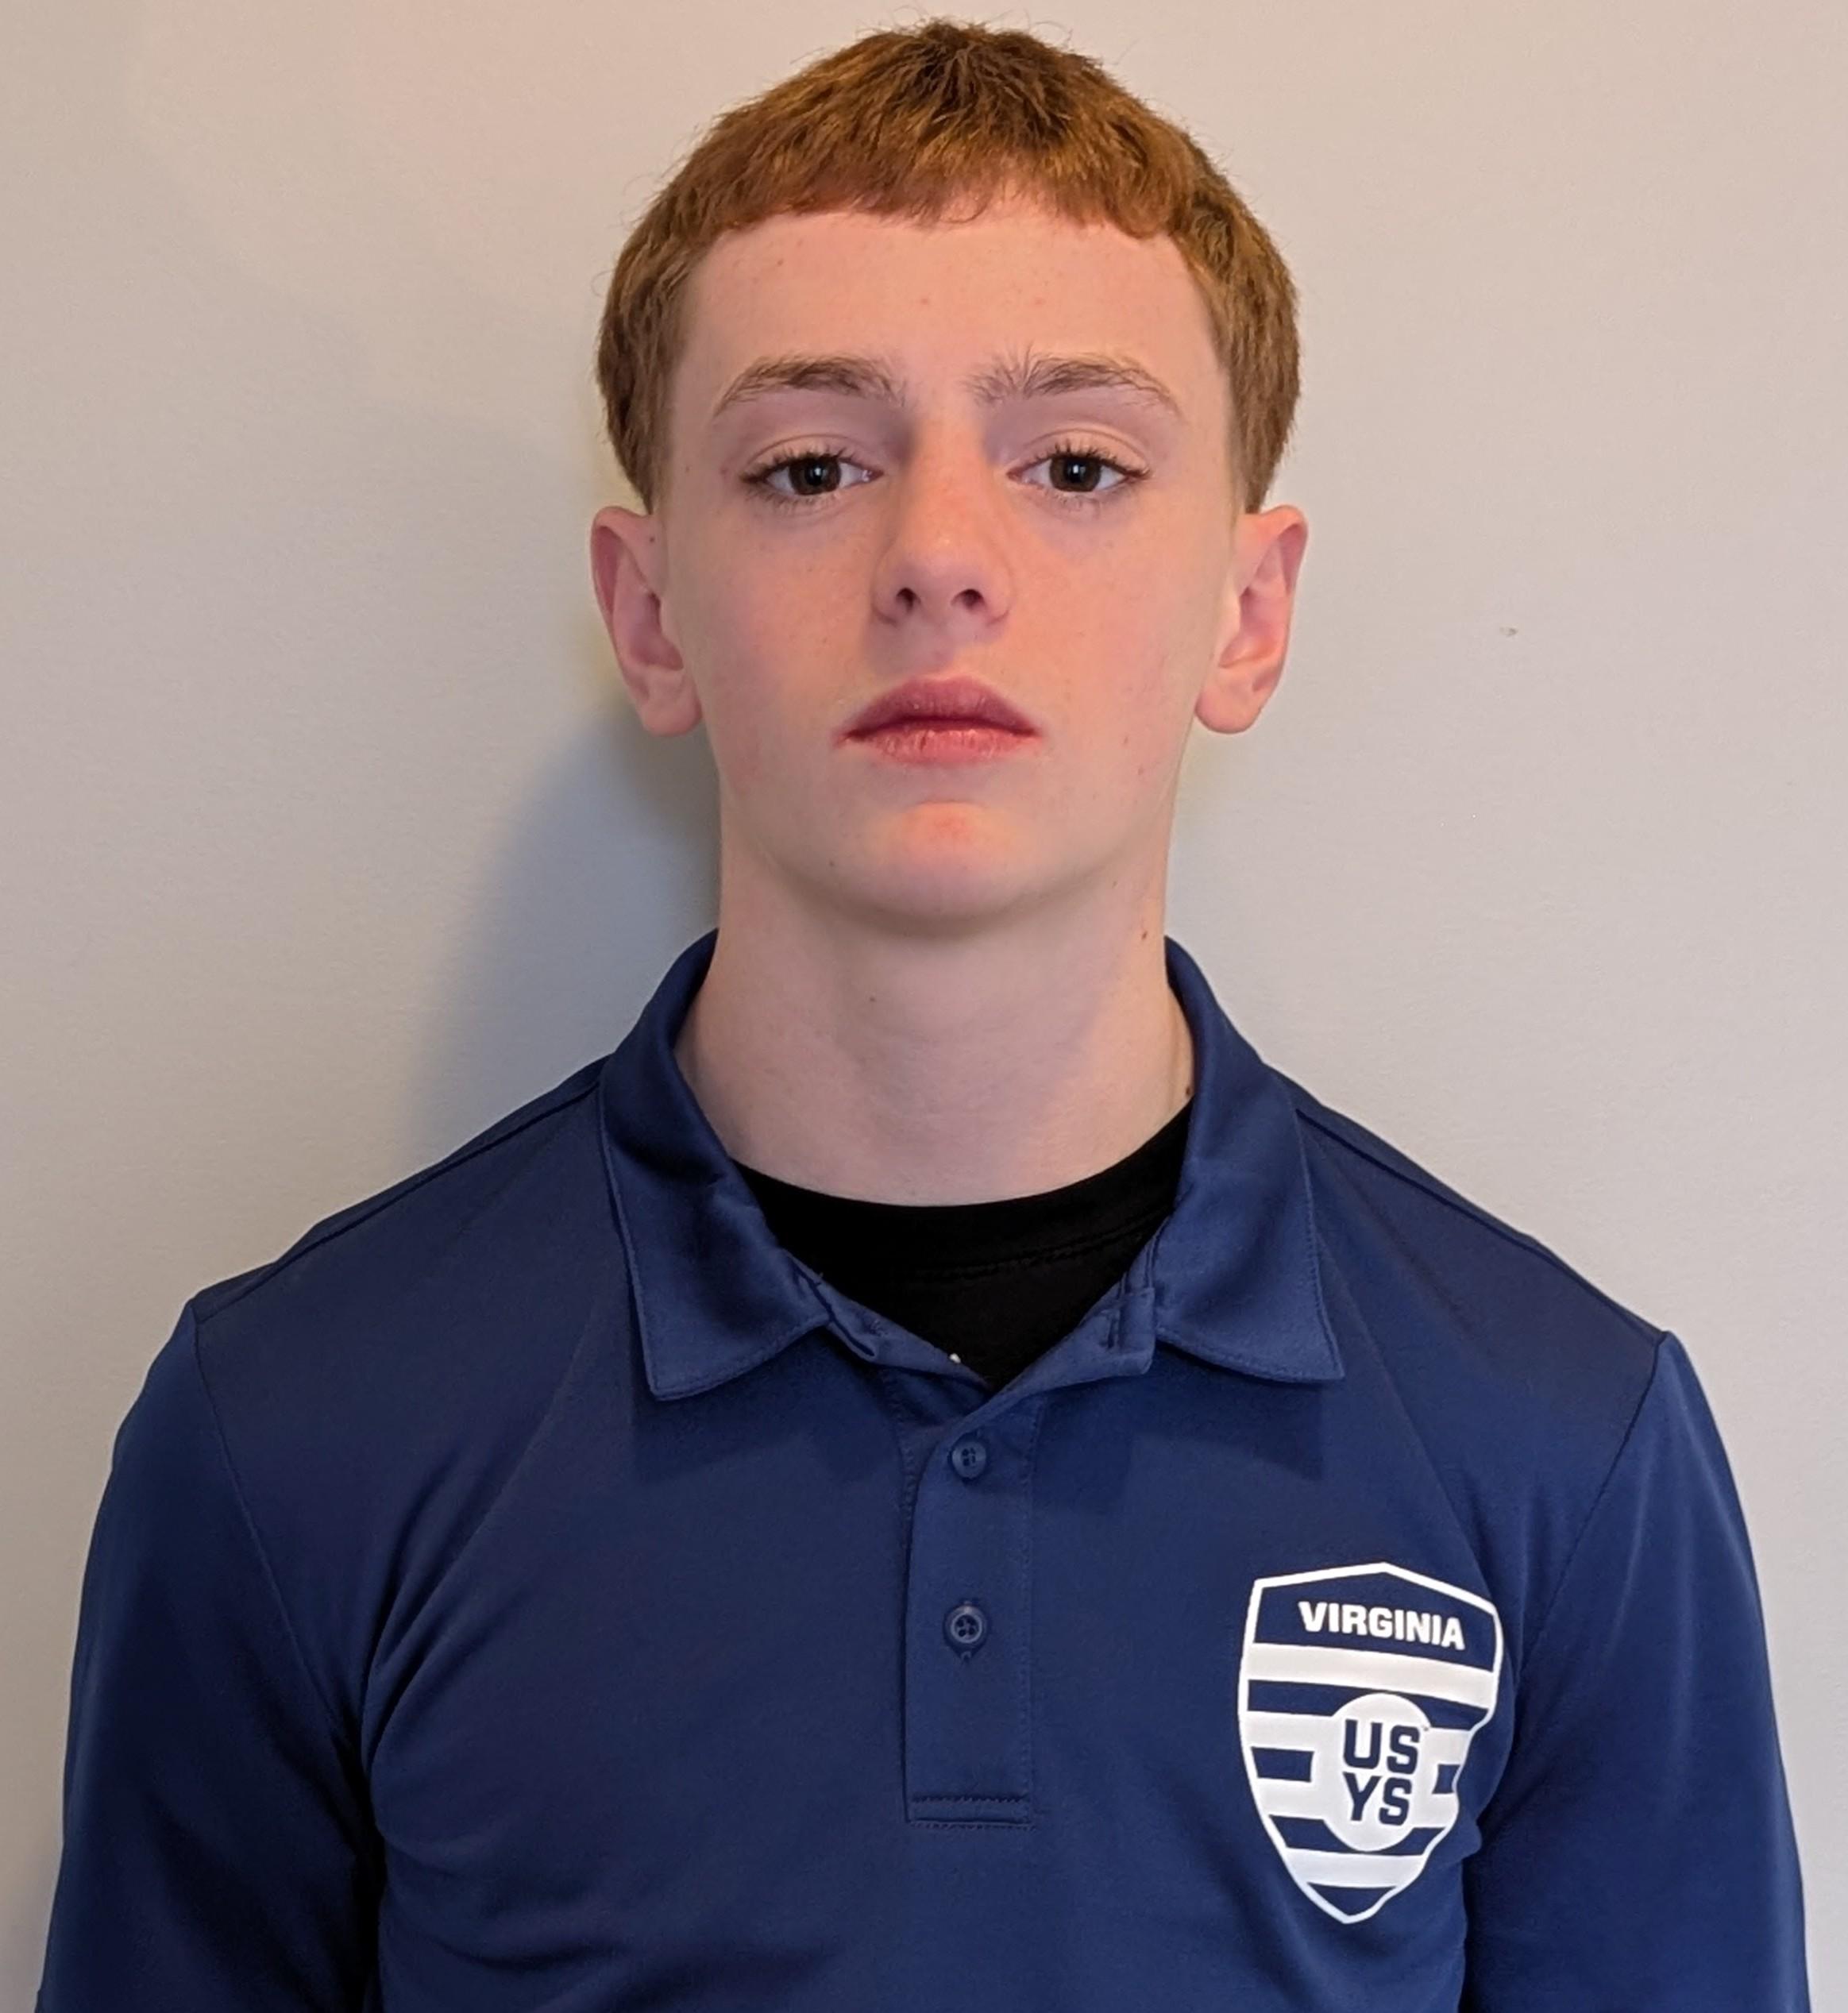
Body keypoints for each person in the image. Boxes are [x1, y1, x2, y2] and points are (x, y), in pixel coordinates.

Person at [37, 18, 1808, 2011]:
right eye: (811, 465)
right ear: (647, 610)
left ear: (1249, 611)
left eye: (1078, 464)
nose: (941, 558)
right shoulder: (294, 1432)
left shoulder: (1564, 1445)